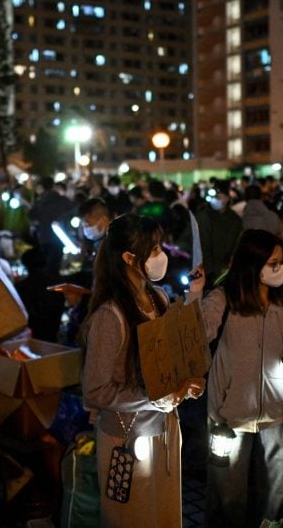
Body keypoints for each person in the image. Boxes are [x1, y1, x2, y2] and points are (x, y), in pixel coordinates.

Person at [80, 213, 205, 527]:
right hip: (128, 437)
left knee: (165, 514)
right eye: (153, 250)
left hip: (165, 430)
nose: (161, 256)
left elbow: (165, 362)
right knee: (133, 517)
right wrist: (154, 398)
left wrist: (183, 383)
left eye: (160, 247)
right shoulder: (111, 316)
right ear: (127, 257)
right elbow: (96, 390)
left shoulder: (158, 297)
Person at [192, 229, 283, 528]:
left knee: (277, 493)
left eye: (282, 262)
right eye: (273, 263)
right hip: (228, 415)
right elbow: (199, 333)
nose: (280, 269)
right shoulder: (224, 297)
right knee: (227, 495)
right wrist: (195, 294)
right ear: (252, 263)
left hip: (279, 412)